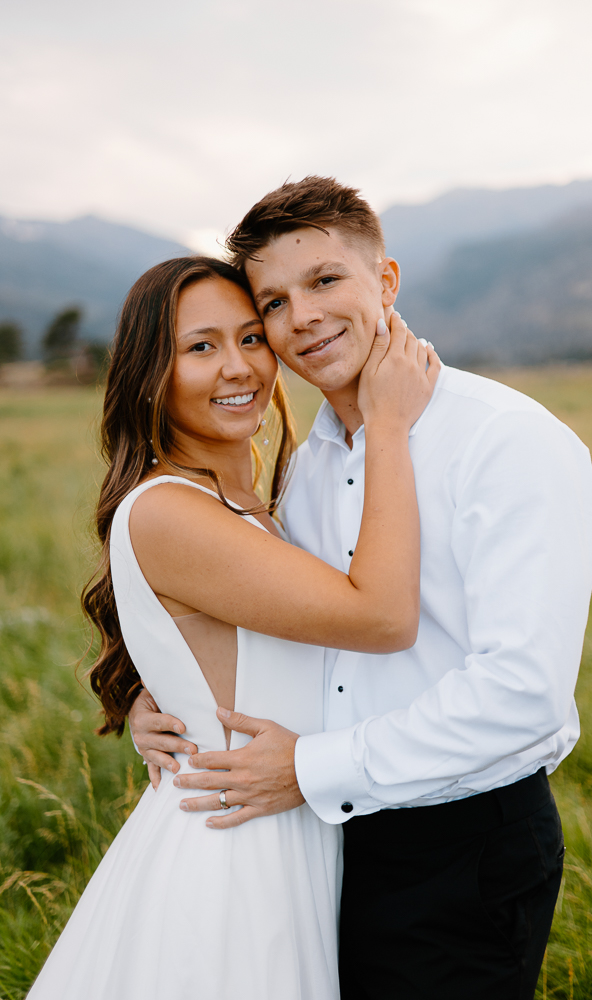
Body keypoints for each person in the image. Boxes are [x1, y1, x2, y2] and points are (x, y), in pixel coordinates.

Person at [132, 177, 592, 1000]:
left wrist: (311, 769)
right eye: (273, 302)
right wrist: (176, 696)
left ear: (384, 282)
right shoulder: (307, 465)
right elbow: (292, 625)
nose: (302, 317)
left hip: (460, 844)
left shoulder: (510, 441)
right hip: (320, 838)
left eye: (324, 281)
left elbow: (522, 693)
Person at [26, 255, 438, 1000]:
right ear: (151, 371)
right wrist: (387, 425)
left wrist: (165, 697)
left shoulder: (246, 500)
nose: (238, 367)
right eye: (201, 347)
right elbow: (379, 616)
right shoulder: (170, 509)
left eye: (252, 338)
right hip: (233, 851)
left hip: (286, 820)